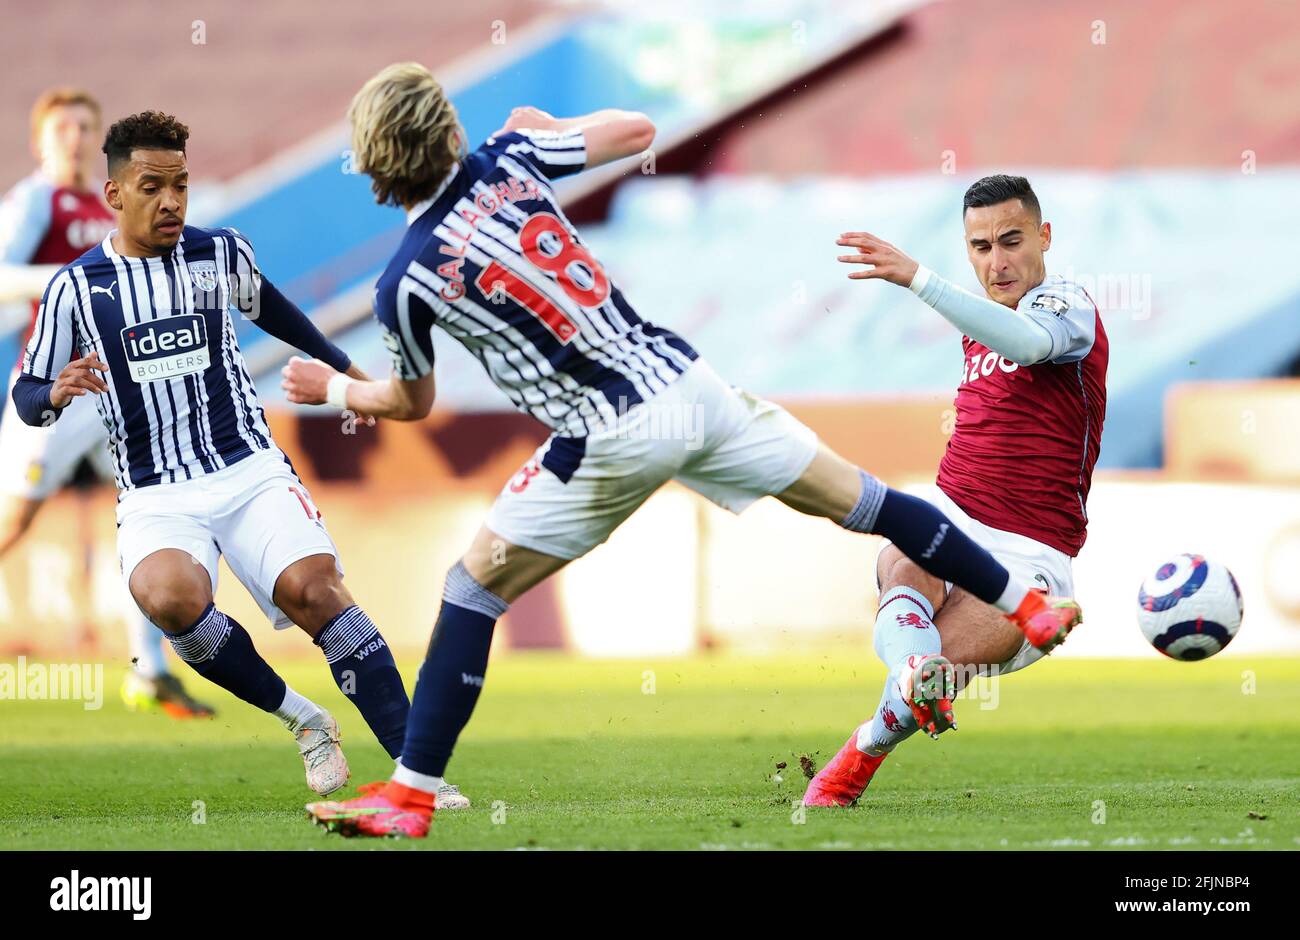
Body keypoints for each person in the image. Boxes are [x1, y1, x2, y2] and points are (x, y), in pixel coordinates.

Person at [284, 63, 1082, 838]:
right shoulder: (511, 160)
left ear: (375, 166)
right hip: (690, 384)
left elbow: (408, 403)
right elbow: (637, 129)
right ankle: (1028, 603)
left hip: (606, 430)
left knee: (471, 590)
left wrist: (334, 391)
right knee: (869, 503)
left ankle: (412, 795)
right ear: (450, 131)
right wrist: (549, 128)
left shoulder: (405, 282)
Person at [9, 110, 473, 806]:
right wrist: (53, 392)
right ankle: (306, 722)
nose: (170, 201)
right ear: (115, 195)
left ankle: (418, 778)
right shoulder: (77, 289)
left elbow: (278, 312)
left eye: (181, 185)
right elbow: (25, 394)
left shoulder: (218, 255)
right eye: (152, 186)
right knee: (168, 599)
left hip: (246, 468)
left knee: (315, 591)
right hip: (156, 492)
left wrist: (347, 372)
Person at [802, 174, 1108, 806]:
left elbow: (1027, 343)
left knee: (944, 663)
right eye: (980, 247)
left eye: (1011, 240)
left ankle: (862, 750)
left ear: (1045, 237)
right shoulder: (978, 319)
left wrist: (917, 277)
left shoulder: (1068, 306)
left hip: (1030, 555)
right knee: (905, 556)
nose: (997, 262)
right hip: (950, 512)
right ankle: (914, 674)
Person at [0, 88, 211, 717]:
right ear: (40, 139)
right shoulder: (38, 200)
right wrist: (69, 280)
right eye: (62, 127)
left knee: (145, 516)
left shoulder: (108, 201)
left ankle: (150, 669)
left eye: (83, 127)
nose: (73, 137)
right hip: (59, 388)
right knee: (14, 521)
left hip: (122, 389)